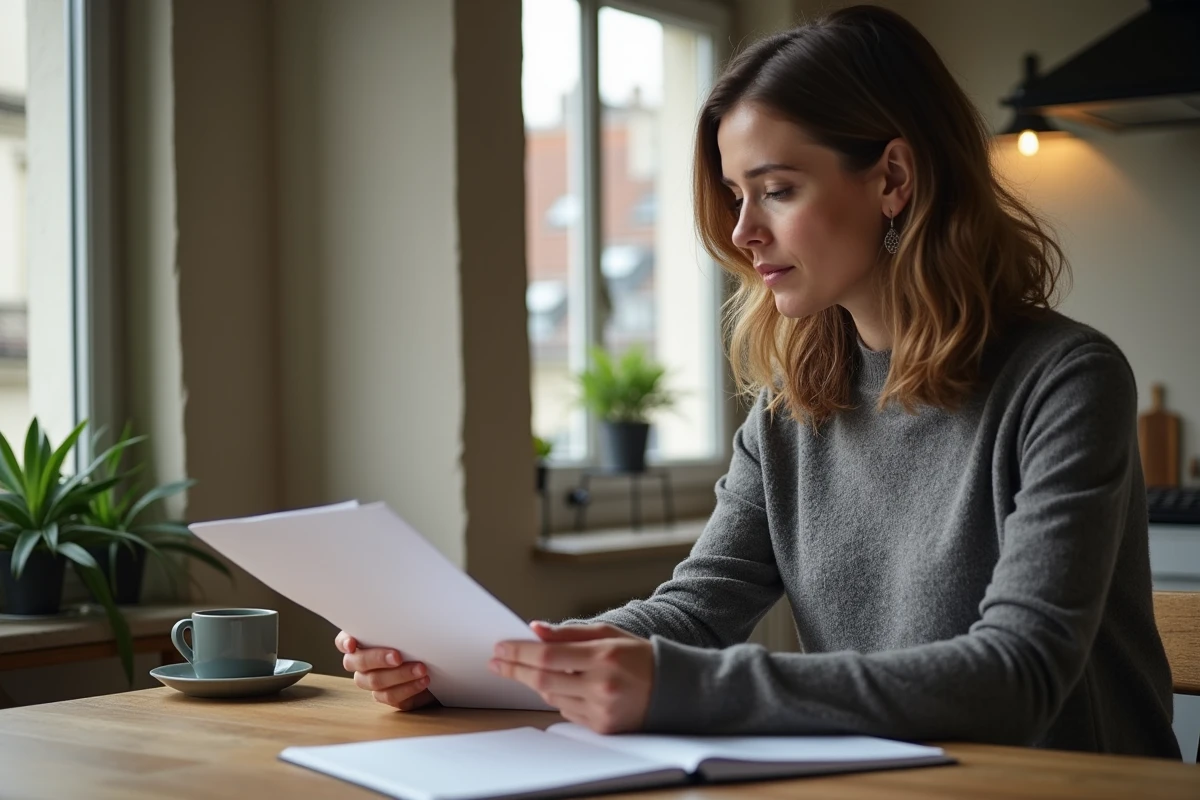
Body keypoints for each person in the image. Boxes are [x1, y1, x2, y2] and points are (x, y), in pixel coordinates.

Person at [336, 5, 1181, 758]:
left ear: (892, 178)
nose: (743, 231)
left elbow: (1017, 676)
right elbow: (695, 609)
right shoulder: (790, 409)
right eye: (737, 195)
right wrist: (495, 662)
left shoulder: (1067, 381)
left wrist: (683, 687)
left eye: (777, 190)